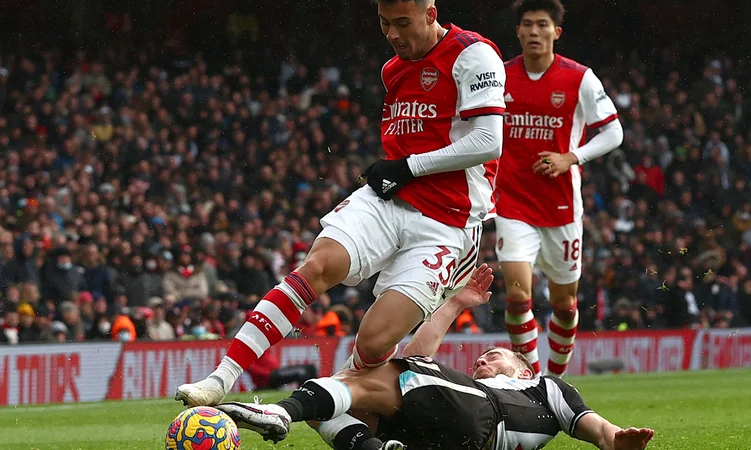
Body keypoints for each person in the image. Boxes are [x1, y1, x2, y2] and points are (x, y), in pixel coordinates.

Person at [176, 0, 507, 407]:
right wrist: (399, 172)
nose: (393, 35)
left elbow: (488, 141)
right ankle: (219, 380)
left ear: (431, 14)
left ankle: (343, 400)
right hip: (388, 200)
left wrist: (407, 167)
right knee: (316, 266)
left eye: (403, 23)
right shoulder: (393, 69)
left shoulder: (473, 54)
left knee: (374, 342)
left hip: (448, 223)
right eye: (385, 24)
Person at [216, 264, 654, 450]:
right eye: (482, 359)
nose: (483, 362)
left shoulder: (544, 387)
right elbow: (417, 361)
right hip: (443, 434)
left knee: (359, 381)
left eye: (495, 356)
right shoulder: (469, 384)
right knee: (337, 408)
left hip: (485, 418)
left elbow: (595, 428)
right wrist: (455, 303)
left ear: (523, 367)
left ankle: (279, 411)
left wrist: (617, 439)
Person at [495, 0, 624, 377]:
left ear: (556, 32)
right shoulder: (499, 77)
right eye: (527, 25)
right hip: (513, 205)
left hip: (562, 209)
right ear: (518, 32)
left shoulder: (580, 78)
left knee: (565, 304)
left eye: (542, 25)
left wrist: (572, 157)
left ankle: (556, 379)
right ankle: (534, 383)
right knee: (518, 296)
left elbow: (613, 131)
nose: (534, 32)